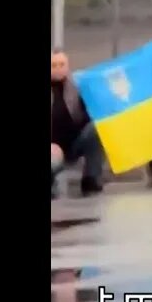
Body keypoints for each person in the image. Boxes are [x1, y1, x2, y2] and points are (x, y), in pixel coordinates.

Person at [51, 49, 106, 197]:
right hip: (53, 148)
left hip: (74, 142)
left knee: (95, 129)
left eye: (61, 64)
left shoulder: (77, 87)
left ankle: (91, 178)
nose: (58, 69)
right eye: (53, 65)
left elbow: (90, 114)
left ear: (68, 66)